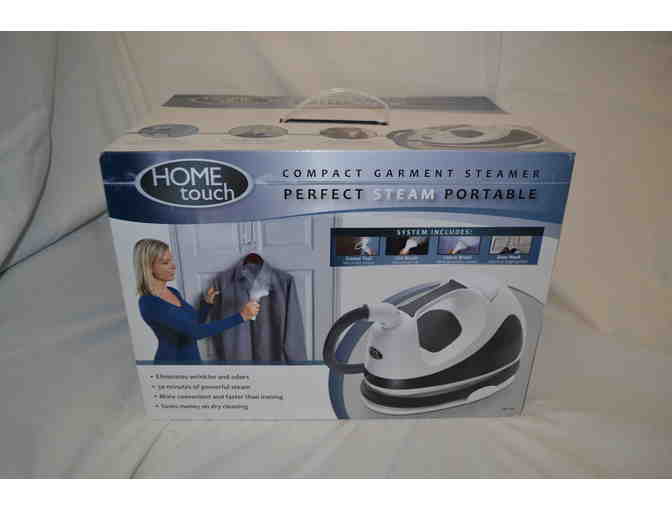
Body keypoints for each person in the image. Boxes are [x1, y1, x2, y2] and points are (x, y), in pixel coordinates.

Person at [133, 239, 259, 363]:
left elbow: (195, 322)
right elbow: (196, 332)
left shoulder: (172, 292)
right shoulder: (149, 303)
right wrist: (241, 316)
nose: (173, 266)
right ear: (149, 267)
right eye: (165, 262)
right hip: (172, 366)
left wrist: (206, 304)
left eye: (171, 260)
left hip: (193, 361)